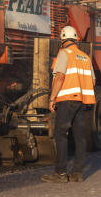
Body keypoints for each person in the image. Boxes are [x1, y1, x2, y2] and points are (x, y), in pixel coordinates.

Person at [41, 25, 96, 183]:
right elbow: (92, 80)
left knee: (61, 134)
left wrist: (52, 98)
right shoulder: (85, 57)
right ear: (76, 40)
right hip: (81, 101)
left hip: (66, 100)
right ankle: (77, 173)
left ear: (62, 40)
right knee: (79, 136)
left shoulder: (64, 54)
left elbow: (59, 77)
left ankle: (60, 173)